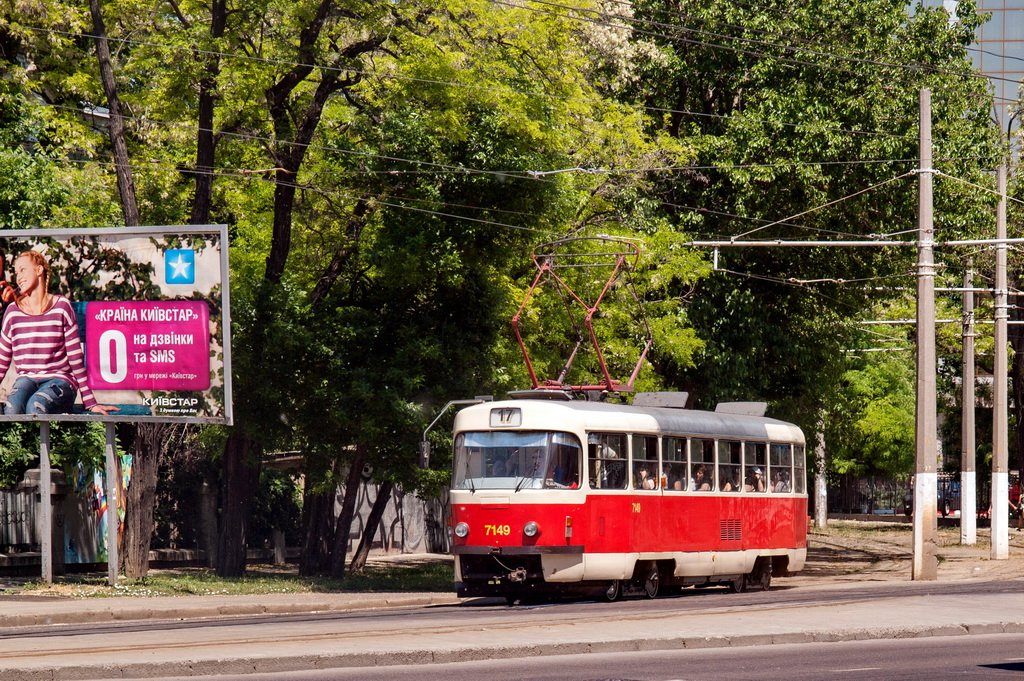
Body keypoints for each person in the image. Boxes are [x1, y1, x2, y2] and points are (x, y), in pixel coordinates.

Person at [0, 251, 118, 415]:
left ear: (39, 270)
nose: (18, 276)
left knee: (36, 406)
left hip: (59, 381)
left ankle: (47, 441)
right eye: (16, 272)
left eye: (23, 270)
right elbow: (2, 361)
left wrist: (89, 400)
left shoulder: (61, 306)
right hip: (26, 380)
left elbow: (75, 358)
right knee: (11, 411)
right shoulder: (13, 312)